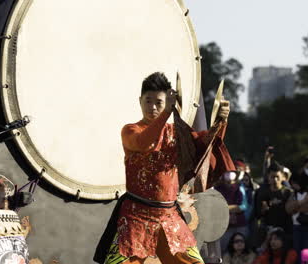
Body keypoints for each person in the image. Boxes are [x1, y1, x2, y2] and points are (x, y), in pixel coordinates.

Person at [94, 72, 234, 264]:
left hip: (169, 216)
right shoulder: (130, 130)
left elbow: (205, 147)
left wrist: (221, 122)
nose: (152, 107)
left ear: (167, 102)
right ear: (139, 101)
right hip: (135, 215)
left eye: (158, 102)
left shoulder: (175, 133)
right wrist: (167, 111)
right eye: (148, 101)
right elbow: (145, 143)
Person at [253, 162, 293, 246]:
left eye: (277, 177)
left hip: (284, 230)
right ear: (268, 177)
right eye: (272, 177)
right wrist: (263, 210)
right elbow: (257, 214)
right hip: (266, 230)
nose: (275, 180)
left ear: (283, 177)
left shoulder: (288, 192)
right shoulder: (262, 192)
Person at [216, 171, 250, 252]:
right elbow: (216, 208)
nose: (230, 184)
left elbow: (243, 206)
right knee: (224, 250)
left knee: (243, 250)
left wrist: (225, 208)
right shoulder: (218, 189)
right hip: (224, 227)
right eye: (227, 182)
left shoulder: (239, 187)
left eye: (232, 182)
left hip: (240, 225)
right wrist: (234, 208)